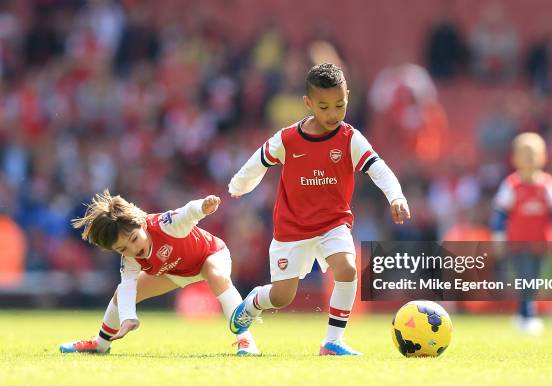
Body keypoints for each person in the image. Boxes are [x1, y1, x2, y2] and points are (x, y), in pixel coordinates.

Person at [227, 63, 411, 355]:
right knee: (282, 296)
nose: (333, 114)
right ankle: (252, 303)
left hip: (332, 224)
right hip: (292, 228)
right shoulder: (287, 139)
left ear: (348, 97)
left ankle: (333, 341)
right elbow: (257, 162)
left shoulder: (350, 138)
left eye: (340, 105)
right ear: (308, 103)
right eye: (324, 107)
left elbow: (379, 169)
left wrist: (396, 197)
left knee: (348, 269)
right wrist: (238, 184)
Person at [59, 190, 259, 355]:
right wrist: (128, 318)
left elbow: (186, 212)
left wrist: (202, 207)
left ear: (141, 223)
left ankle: (246, 340)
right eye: (122, 249)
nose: (132, 249)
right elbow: (127, 286)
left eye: (134, 239)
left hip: (210, 255)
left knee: (216, 275)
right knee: (121, 295)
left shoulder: (165, 224)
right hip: (176, 272)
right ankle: (100, 344)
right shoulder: (130, 257)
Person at [491, 132, 552, 335]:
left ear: (544, 157)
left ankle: (524, 313)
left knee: (533, 277)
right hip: (517, 242)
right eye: (524, 153)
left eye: (534, 153)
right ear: (514, 158)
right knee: (525, 276)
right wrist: (498, 237)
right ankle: (528, 314)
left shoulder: (547, 185)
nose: (529, 158)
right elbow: (500, 214)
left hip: (541, 242)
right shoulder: (511, 185)